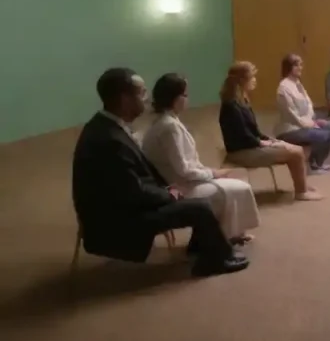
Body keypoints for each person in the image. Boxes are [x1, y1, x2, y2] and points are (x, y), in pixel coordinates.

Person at [72, 68, 248, 277]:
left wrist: (167, 189)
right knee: (199, 207)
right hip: (116, 219)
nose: (147, 100)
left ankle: (207, 248)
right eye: (142, 93)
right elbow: (132, 191)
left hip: (120, 206)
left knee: (193, 201)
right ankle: (214, 261)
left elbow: (132, 180)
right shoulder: (109, 139)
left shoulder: (106, 127)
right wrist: (168, 194)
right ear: (125, 99)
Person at [142, 73, 260, 245]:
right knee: (239, 187)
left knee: (236, 182)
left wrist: (210, 172)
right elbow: (184, 170)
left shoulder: (166, 122)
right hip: (180, 187)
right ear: (174, 98)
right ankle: (220, 238)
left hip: (180, 181)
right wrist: (213, 173)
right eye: (185, 95)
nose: (187, 99)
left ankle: (224, 234)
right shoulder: (169, 127)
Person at [218, 61, 322, 201]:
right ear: (241, 80)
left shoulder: (242, 101)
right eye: (252, 77)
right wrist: (264, 144)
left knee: (295, 149)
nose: (255, 80)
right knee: (296, 153)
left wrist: (271, 140)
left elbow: (254, 131)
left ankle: (302, 185)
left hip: (250, 146)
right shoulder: (231, 106)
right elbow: (243, 137)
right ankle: (301, 192)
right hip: (241, 152)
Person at [275, 54, 330, 173]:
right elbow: (291, 114)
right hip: (290, 129)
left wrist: (313, 121)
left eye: (300, 65)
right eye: (296, 65)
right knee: (324, 135)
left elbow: (309, 105)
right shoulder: (283, 88)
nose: (300, 68)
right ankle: (313, 165)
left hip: (306, 123)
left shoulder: (298, 84)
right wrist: (310, 125)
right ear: (288, 67)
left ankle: (318, 162)